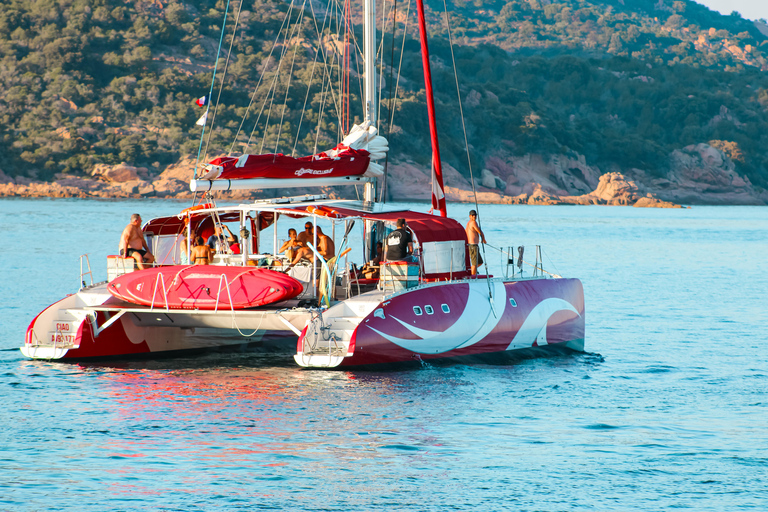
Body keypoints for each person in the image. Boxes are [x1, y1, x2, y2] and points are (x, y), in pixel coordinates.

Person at [466, 209, 487, 275]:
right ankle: (473, 276)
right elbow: (480, 232)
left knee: (480, 262)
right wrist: (484, 240)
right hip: (473, 246)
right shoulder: (473, 223)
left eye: (475, 215)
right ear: (470, 216)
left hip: (473, 245)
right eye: (472, 215)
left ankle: (472, 271)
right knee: (475, 263)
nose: (474, 216)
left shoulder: (468, 223)